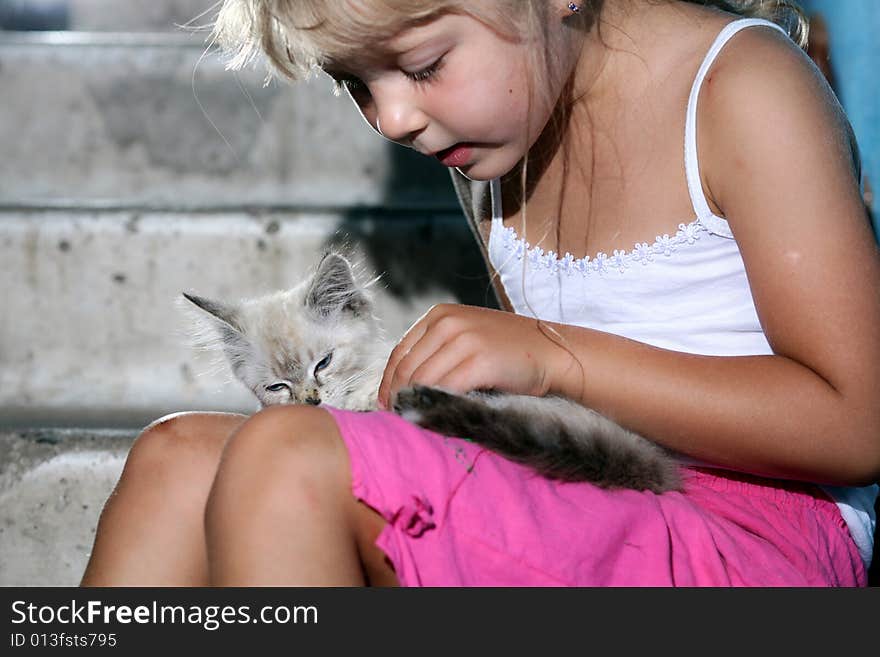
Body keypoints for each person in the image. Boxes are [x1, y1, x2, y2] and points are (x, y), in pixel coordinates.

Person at [80, 0, 880, 587]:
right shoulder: (496, 141)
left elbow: (859, 424)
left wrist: (552, 359)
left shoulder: (741, 88)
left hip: (753, 540)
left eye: (423, 66)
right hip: (587, 487)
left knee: (286, 455)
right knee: (176, 457)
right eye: (355, 84)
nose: (392, 118)